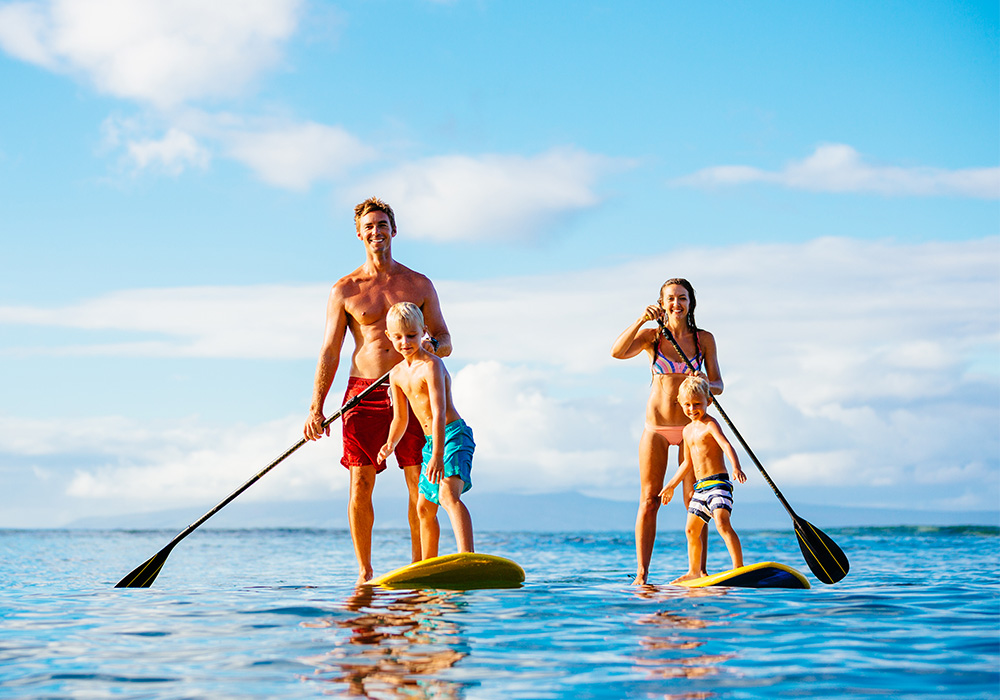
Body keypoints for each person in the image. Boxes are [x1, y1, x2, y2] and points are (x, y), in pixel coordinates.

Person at [304, 197, 452, 585]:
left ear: (394, 230)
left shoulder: (419, 284)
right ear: (359, 234)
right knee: (361, 481)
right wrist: (315, 407)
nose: (376, 232)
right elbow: (330, 350)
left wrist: (426, 350)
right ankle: (365, 572)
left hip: (411, 387)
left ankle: (421, 566)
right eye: (369, 226)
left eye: (382, 224)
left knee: (419, 479)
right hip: (361, 394)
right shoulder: (345, 289)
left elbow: (445, 339)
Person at [611, 278, 724, 585]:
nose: (677, 303)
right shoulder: (653, 336)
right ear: (662, 304)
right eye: (671, 298)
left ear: (691, 303)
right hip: (657, 428)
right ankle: (642, 575)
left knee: (695, 499)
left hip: (693, 429)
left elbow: (719, 385)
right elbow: (617, 353)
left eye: (682, 298)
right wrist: (640, 320)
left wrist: (706, 383)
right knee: (649, 499)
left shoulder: (704, 340)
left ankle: (698, 572)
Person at [378, 302, 474, 559]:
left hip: (452, 436)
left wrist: (438, 455)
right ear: (389, 336)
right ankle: (428, 564)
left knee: (446, 495)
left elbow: (439, 411)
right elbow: (400, 418)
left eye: (411, 335)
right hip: (432, 443)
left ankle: (467, 556)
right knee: (423, 507)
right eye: (398, 337)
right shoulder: (396, 374)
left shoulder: (431, 365)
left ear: (424, 332)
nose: (405, 342)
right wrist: (390, 444)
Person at [659, 375, 747, 582]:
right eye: (687, 405)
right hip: (700, 488)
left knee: (722, 522)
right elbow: (687, 464)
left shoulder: (710, 424)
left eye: (697, 404)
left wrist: (736, 466)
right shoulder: (687, 430)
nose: (692, 409)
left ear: (709, 401)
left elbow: (726, 445)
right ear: (680, 404)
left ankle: (739, 567)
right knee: (691, 530)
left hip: (718, 483)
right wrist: (671, 485)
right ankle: (694, 571)